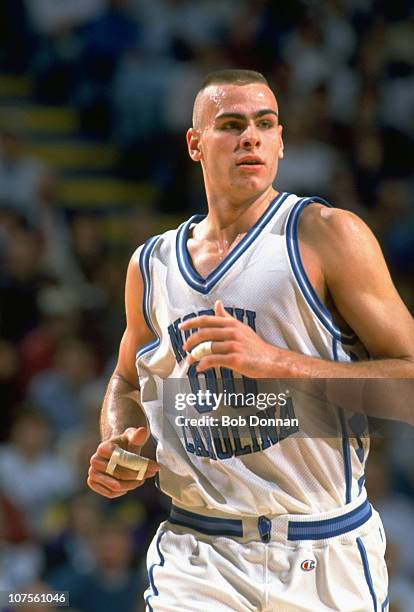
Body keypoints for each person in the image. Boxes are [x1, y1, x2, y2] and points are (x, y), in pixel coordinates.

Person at [87, 69, 414, 611]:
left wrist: (279, 363)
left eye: (265, 124)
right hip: (199, 554)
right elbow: (125, 378)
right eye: (231, 124)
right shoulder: (151, 264)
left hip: (323, 549)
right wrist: (122, 439)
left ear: (281, 141)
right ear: (195, 143)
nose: (250, 138)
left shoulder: (327, 235)